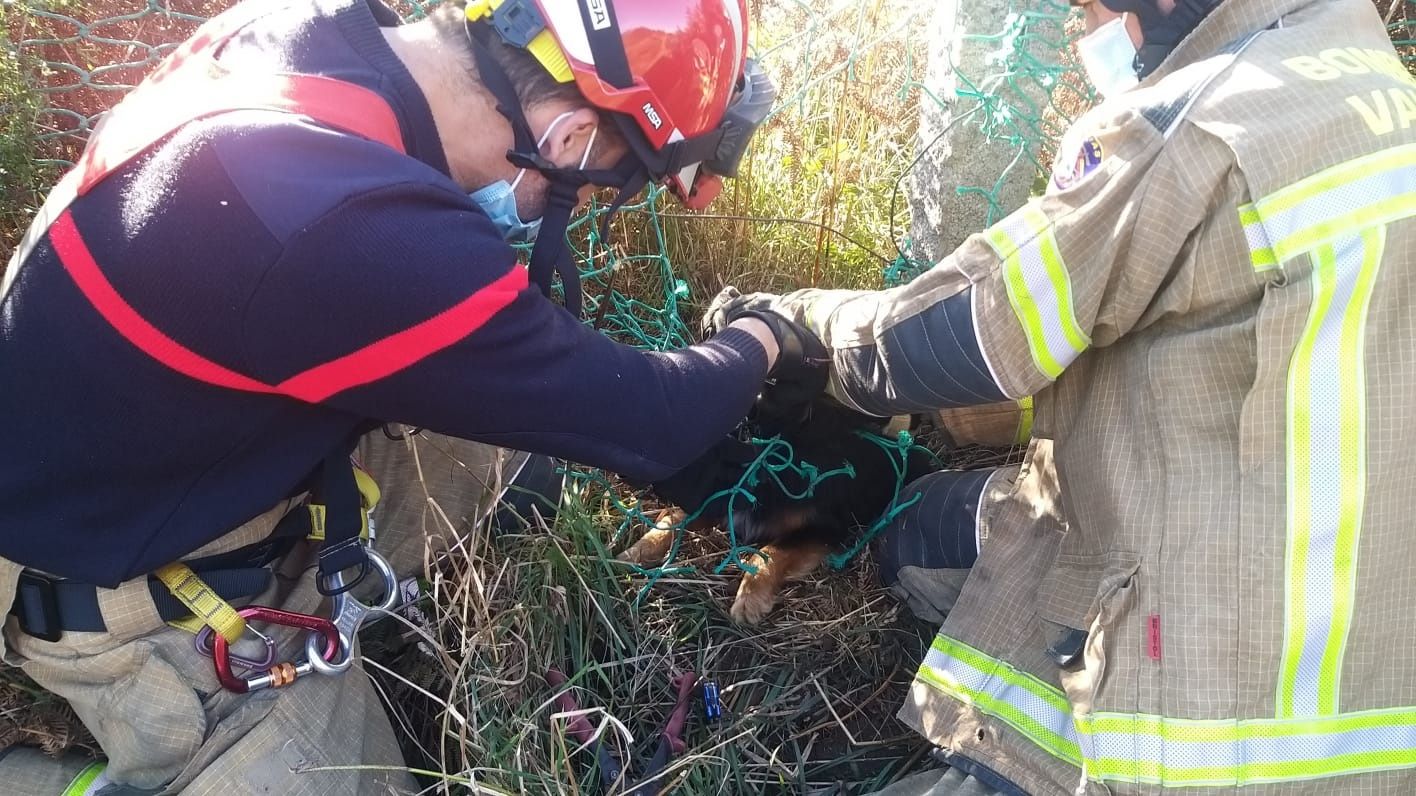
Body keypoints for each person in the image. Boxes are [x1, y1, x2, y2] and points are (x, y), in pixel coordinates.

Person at [0, 0, 826, 791]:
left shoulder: (310, 39)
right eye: (608, 187)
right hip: (112, 577)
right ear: (570, 136)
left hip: (156, 446)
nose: (598, 208)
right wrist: (768, 334)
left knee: (520, 459)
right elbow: (652, 420)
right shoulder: (354, 230)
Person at [704, 0, 1416, 792]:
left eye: (1090, 9)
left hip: (1208, 723)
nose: (1084, 33)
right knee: (919, 520)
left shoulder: (1193, 129)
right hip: (1382, 661)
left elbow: (967, 333)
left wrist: (789, 327)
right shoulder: (1372, 78)